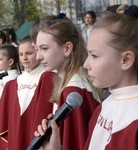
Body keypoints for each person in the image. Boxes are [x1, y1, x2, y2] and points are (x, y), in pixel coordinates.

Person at [36, 13, 138, 150]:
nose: (85, 64)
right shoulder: (105, 106)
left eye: (94, 56)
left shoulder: (134, 119)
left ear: (126, 60)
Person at [35, 17, 101, 150]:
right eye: (37, 49)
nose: (38, 56)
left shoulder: (72, 92)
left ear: (67, 48)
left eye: (44, 48)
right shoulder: (75, 80)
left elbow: (76, 143)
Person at [0, 36, 54, 150]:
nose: (24, 58)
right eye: (21, 54)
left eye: (29, 53)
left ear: (38, 52)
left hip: (37, 133)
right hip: (17, 132)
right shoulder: (16, 81)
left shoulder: (47, 76)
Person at [0, 44, 21, 149]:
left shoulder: (14, 78)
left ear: (10, 62)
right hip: (0, 113)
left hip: (8, 116)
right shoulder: (0, 73)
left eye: (0, 59)